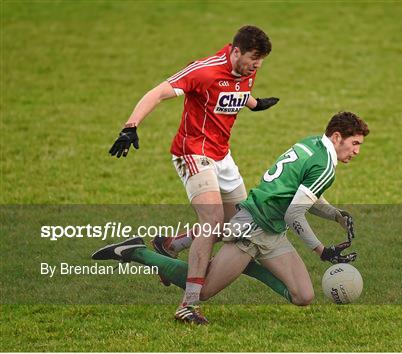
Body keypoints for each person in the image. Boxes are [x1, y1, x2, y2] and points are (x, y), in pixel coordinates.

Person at [95, 112, 369, 324]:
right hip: (250, 231)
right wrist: (321, 251)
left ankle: (234, 261)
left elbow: (305, 197)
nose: (356, 151)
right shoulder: (325, 166)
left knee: (303, 296)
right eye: (354, 143)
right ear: (336, 137)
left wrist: (335, 215)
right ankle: (136, 251)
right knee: (202, 290)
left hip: (272, 232)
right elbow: (294, 212)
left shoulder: (312, 144)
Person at [107, 26, 279, 317]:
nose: (257, 65)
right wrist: (130, 125)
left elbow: (236, 90)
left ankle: (170, 244)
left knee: (238, 229)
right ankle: (188, 304)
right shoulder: (204, 71)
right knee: (211, 221)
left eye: (261, 60)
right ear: (235, 51)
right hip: (193, 151)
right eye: (253, 58)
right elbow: (159, 92)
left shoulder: (247, 70)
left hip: (223, 156)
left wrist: (254, 103)